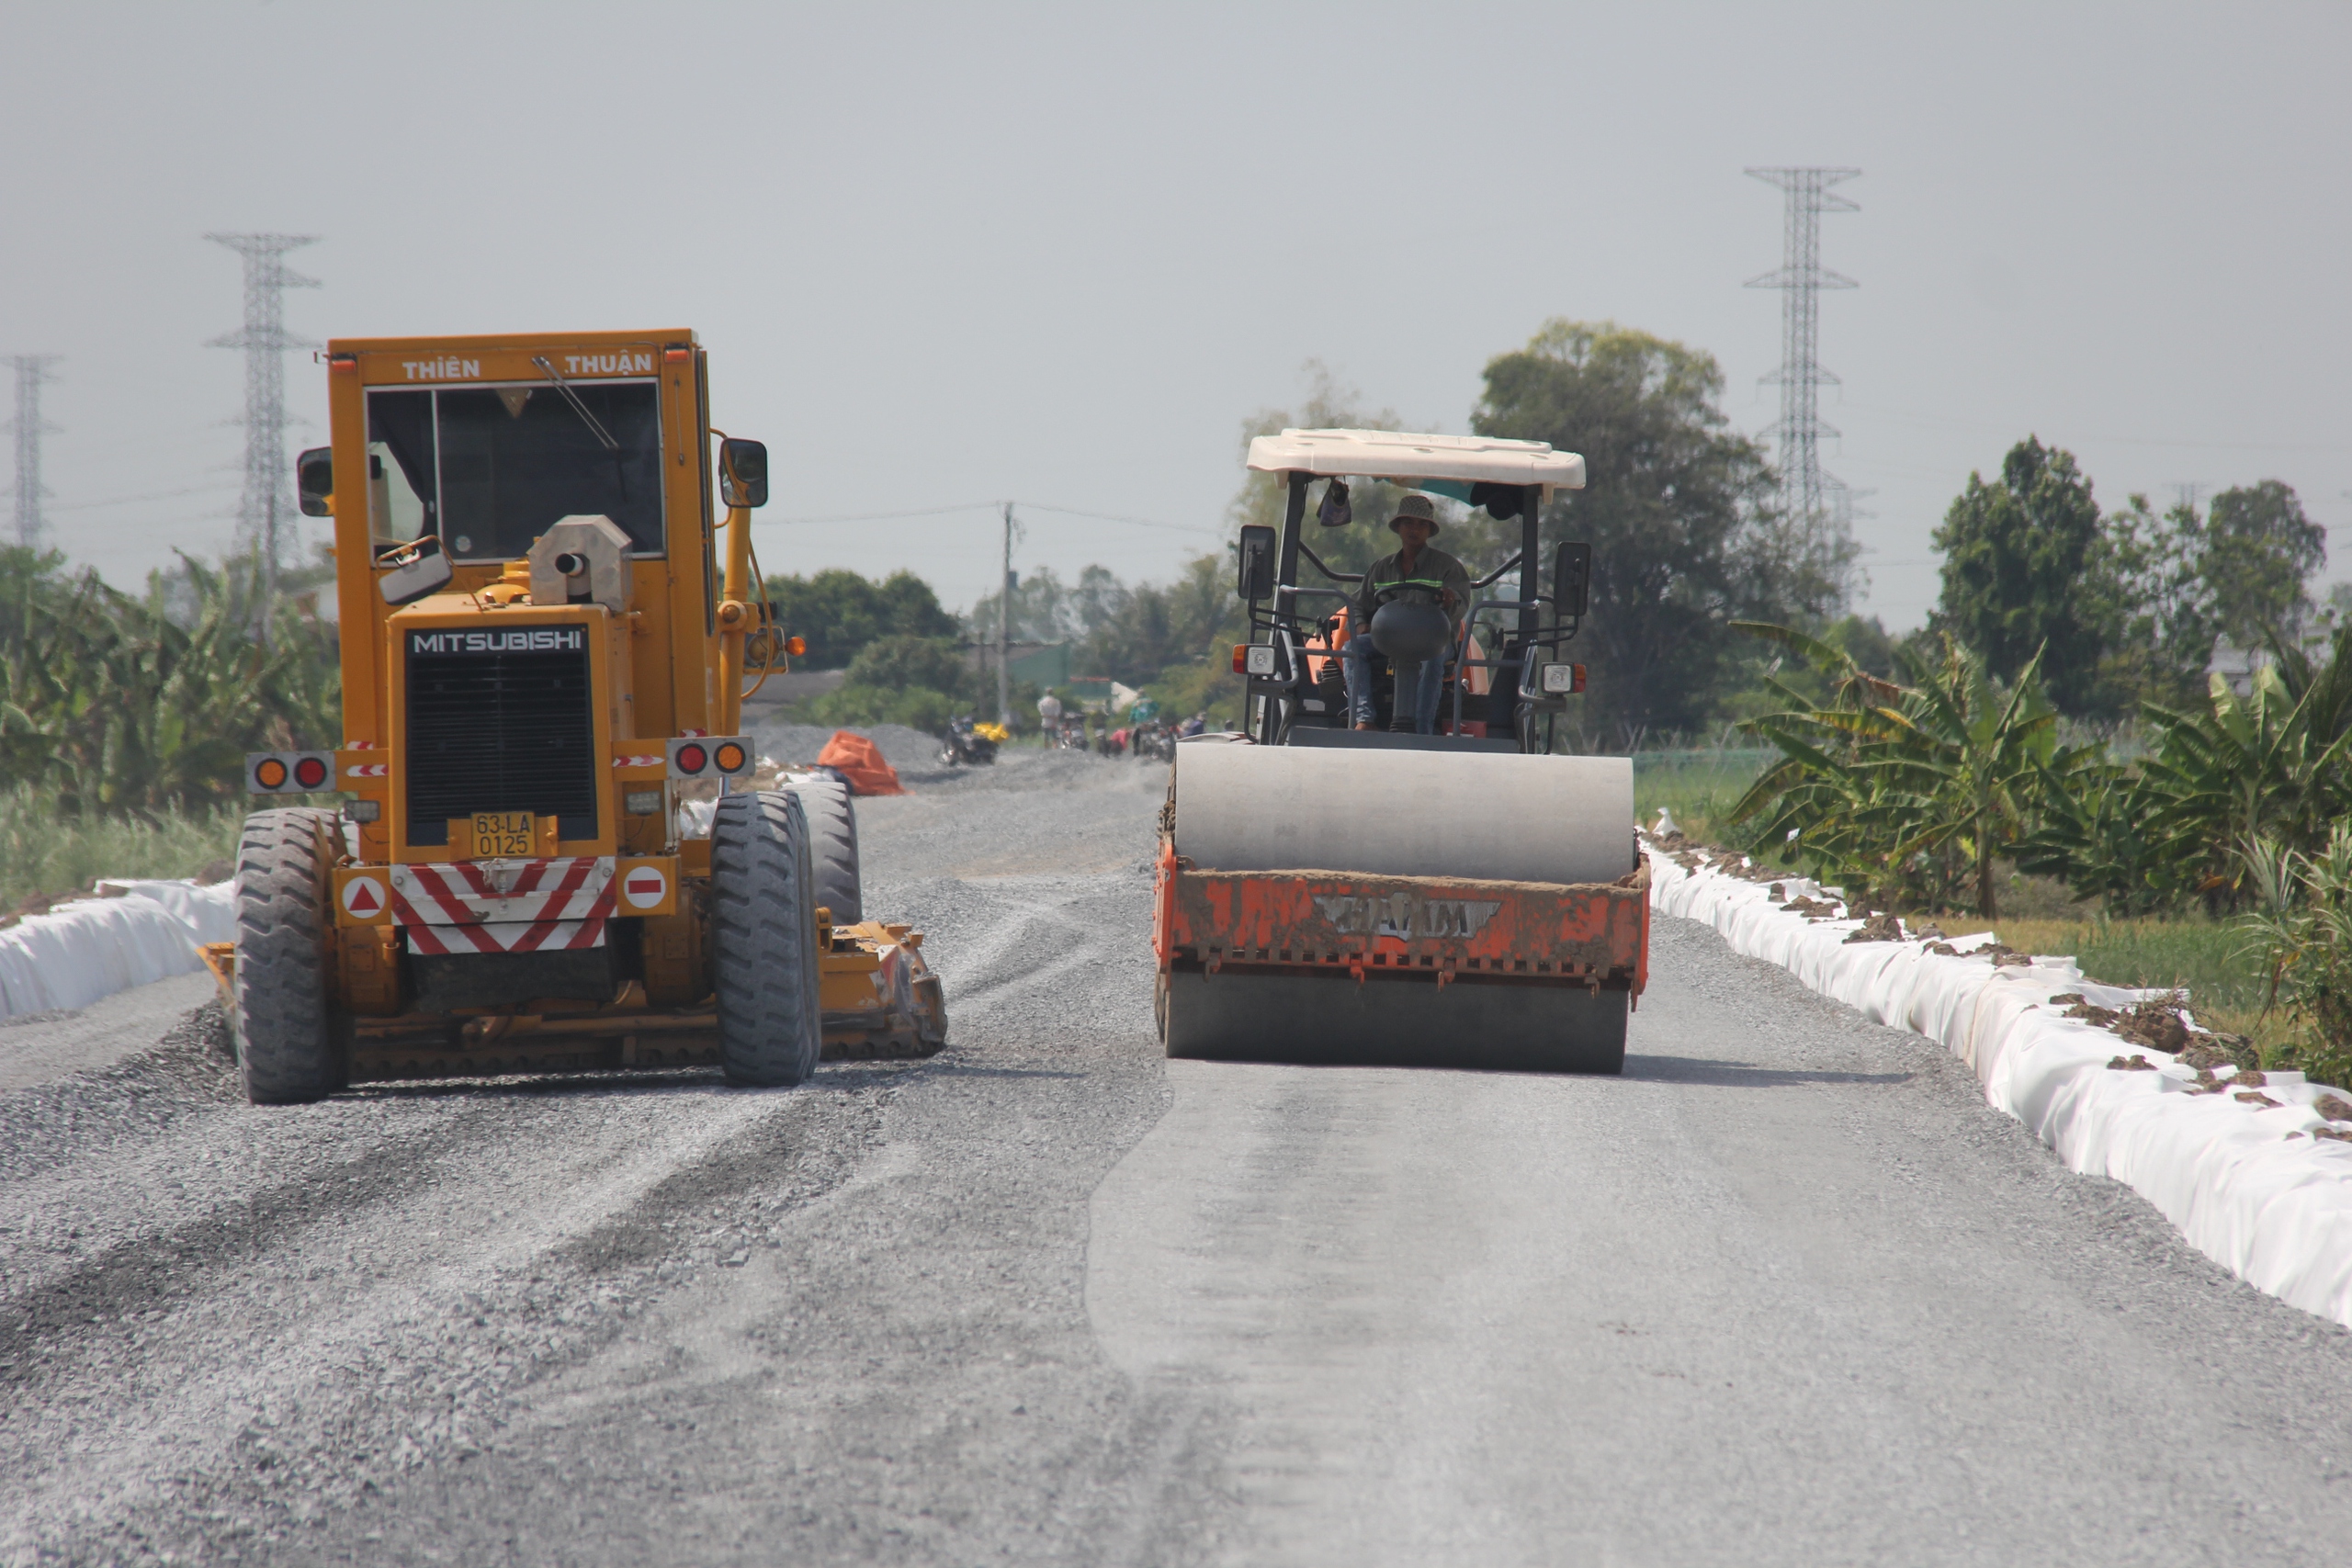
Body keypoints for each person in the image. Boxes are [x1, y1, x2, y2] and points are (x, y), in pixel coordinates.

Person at [1343, 493, 1472, 733]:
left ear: (1429, 530)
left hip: (1434, 641)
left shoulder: (1447, 567)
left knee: (1433, 658)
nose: (1415, 529)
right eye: (1409, 523)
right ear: (1399, 527)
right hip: (1388, 641)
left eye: (1422, 524)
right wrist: (1361, 624)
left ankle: (1421, 730)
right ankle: (1365, 718)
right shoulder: (1381, 568)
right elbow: (1357, 603)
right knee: (1352, 647)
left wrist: (1449, 600)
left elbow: (1461, 603)